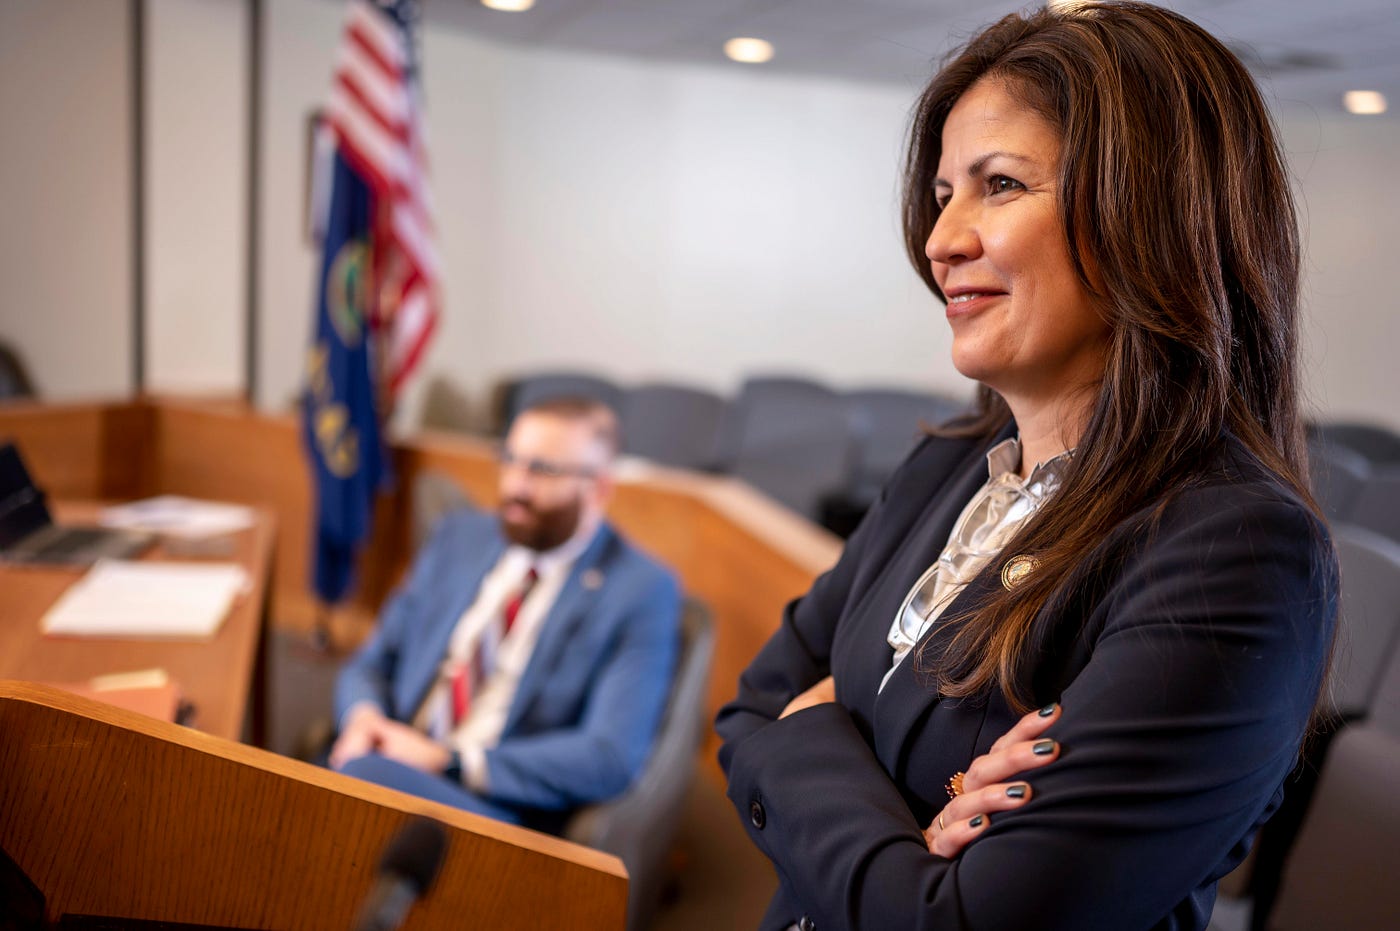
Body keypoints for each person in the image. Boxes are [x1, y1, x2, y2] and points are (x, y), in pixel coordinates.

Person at [715, 3, 1337, 930]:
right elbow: (752, 707)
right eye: (942, 194)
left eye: (1000, 185)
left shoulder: (1237, 552)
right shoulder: (945, 467)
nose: (941, 241)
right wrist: (905, 828)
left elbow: (961, 920)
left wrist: (813, 731)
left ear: (1150, 213)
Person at [331, 397, 681, 832]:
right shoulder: (459, 536)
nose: (516, 486)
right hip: (388, 755)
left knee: (354, 784)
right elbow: (371, 662)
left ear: (598, 488)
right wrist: (364, 720)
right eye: (511, 460)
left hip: (490, 804)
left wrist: (448, 761)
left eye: (542, 470)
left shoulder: (640, 589)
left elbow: (610, 756)